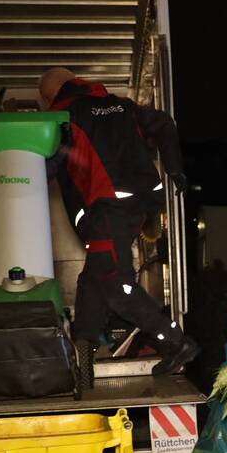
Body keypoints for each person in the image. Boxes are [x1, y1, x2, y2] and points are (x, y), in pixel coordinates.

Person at [38, 67, 199, 377]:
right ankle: (84, 351)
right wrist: (174, 168)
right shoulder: (121, 104)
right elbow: (164, 123)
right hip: (138, 204)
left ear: (49, 96)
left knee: (115, 283)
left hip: (107, 207)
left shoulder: (62, 115)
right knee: (95, 276)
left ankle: (175, 342)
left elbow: (48, 164)